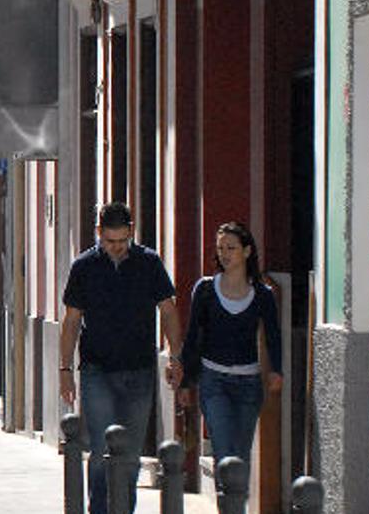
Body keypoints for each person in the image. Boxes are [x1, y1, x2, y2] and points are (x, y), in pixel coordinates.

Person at [59, 202, 183, 514]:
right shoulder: (84, 267)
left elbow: (167, 310)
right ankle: (99, 510)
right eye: (109, 241)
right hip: (96, 370)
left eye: (122, 241)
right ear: (99, 233)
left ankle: (124, 509)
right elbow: (72, 320)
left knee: (130, 453)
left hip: (140, 371)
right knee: (101, 448)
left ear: (131, 233)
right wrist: (64, 369)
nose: (116, 248)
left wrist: (175, 356)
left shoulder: (149, 263)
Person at [178, 222, 283, 466]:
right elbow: (193, 336)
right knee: (224, 452)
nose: (224, 254)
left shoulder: (263, 294)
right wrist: (186, 382)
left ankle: (236, 504)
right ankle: (227, 505)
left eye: (231, 248)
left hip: (249, 383)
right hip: (214, 380)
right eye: (220, 248)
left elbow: (273, 336)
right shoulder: (205, 290)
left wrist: (276, 370)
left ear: (247, 252)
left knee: (241, 455)